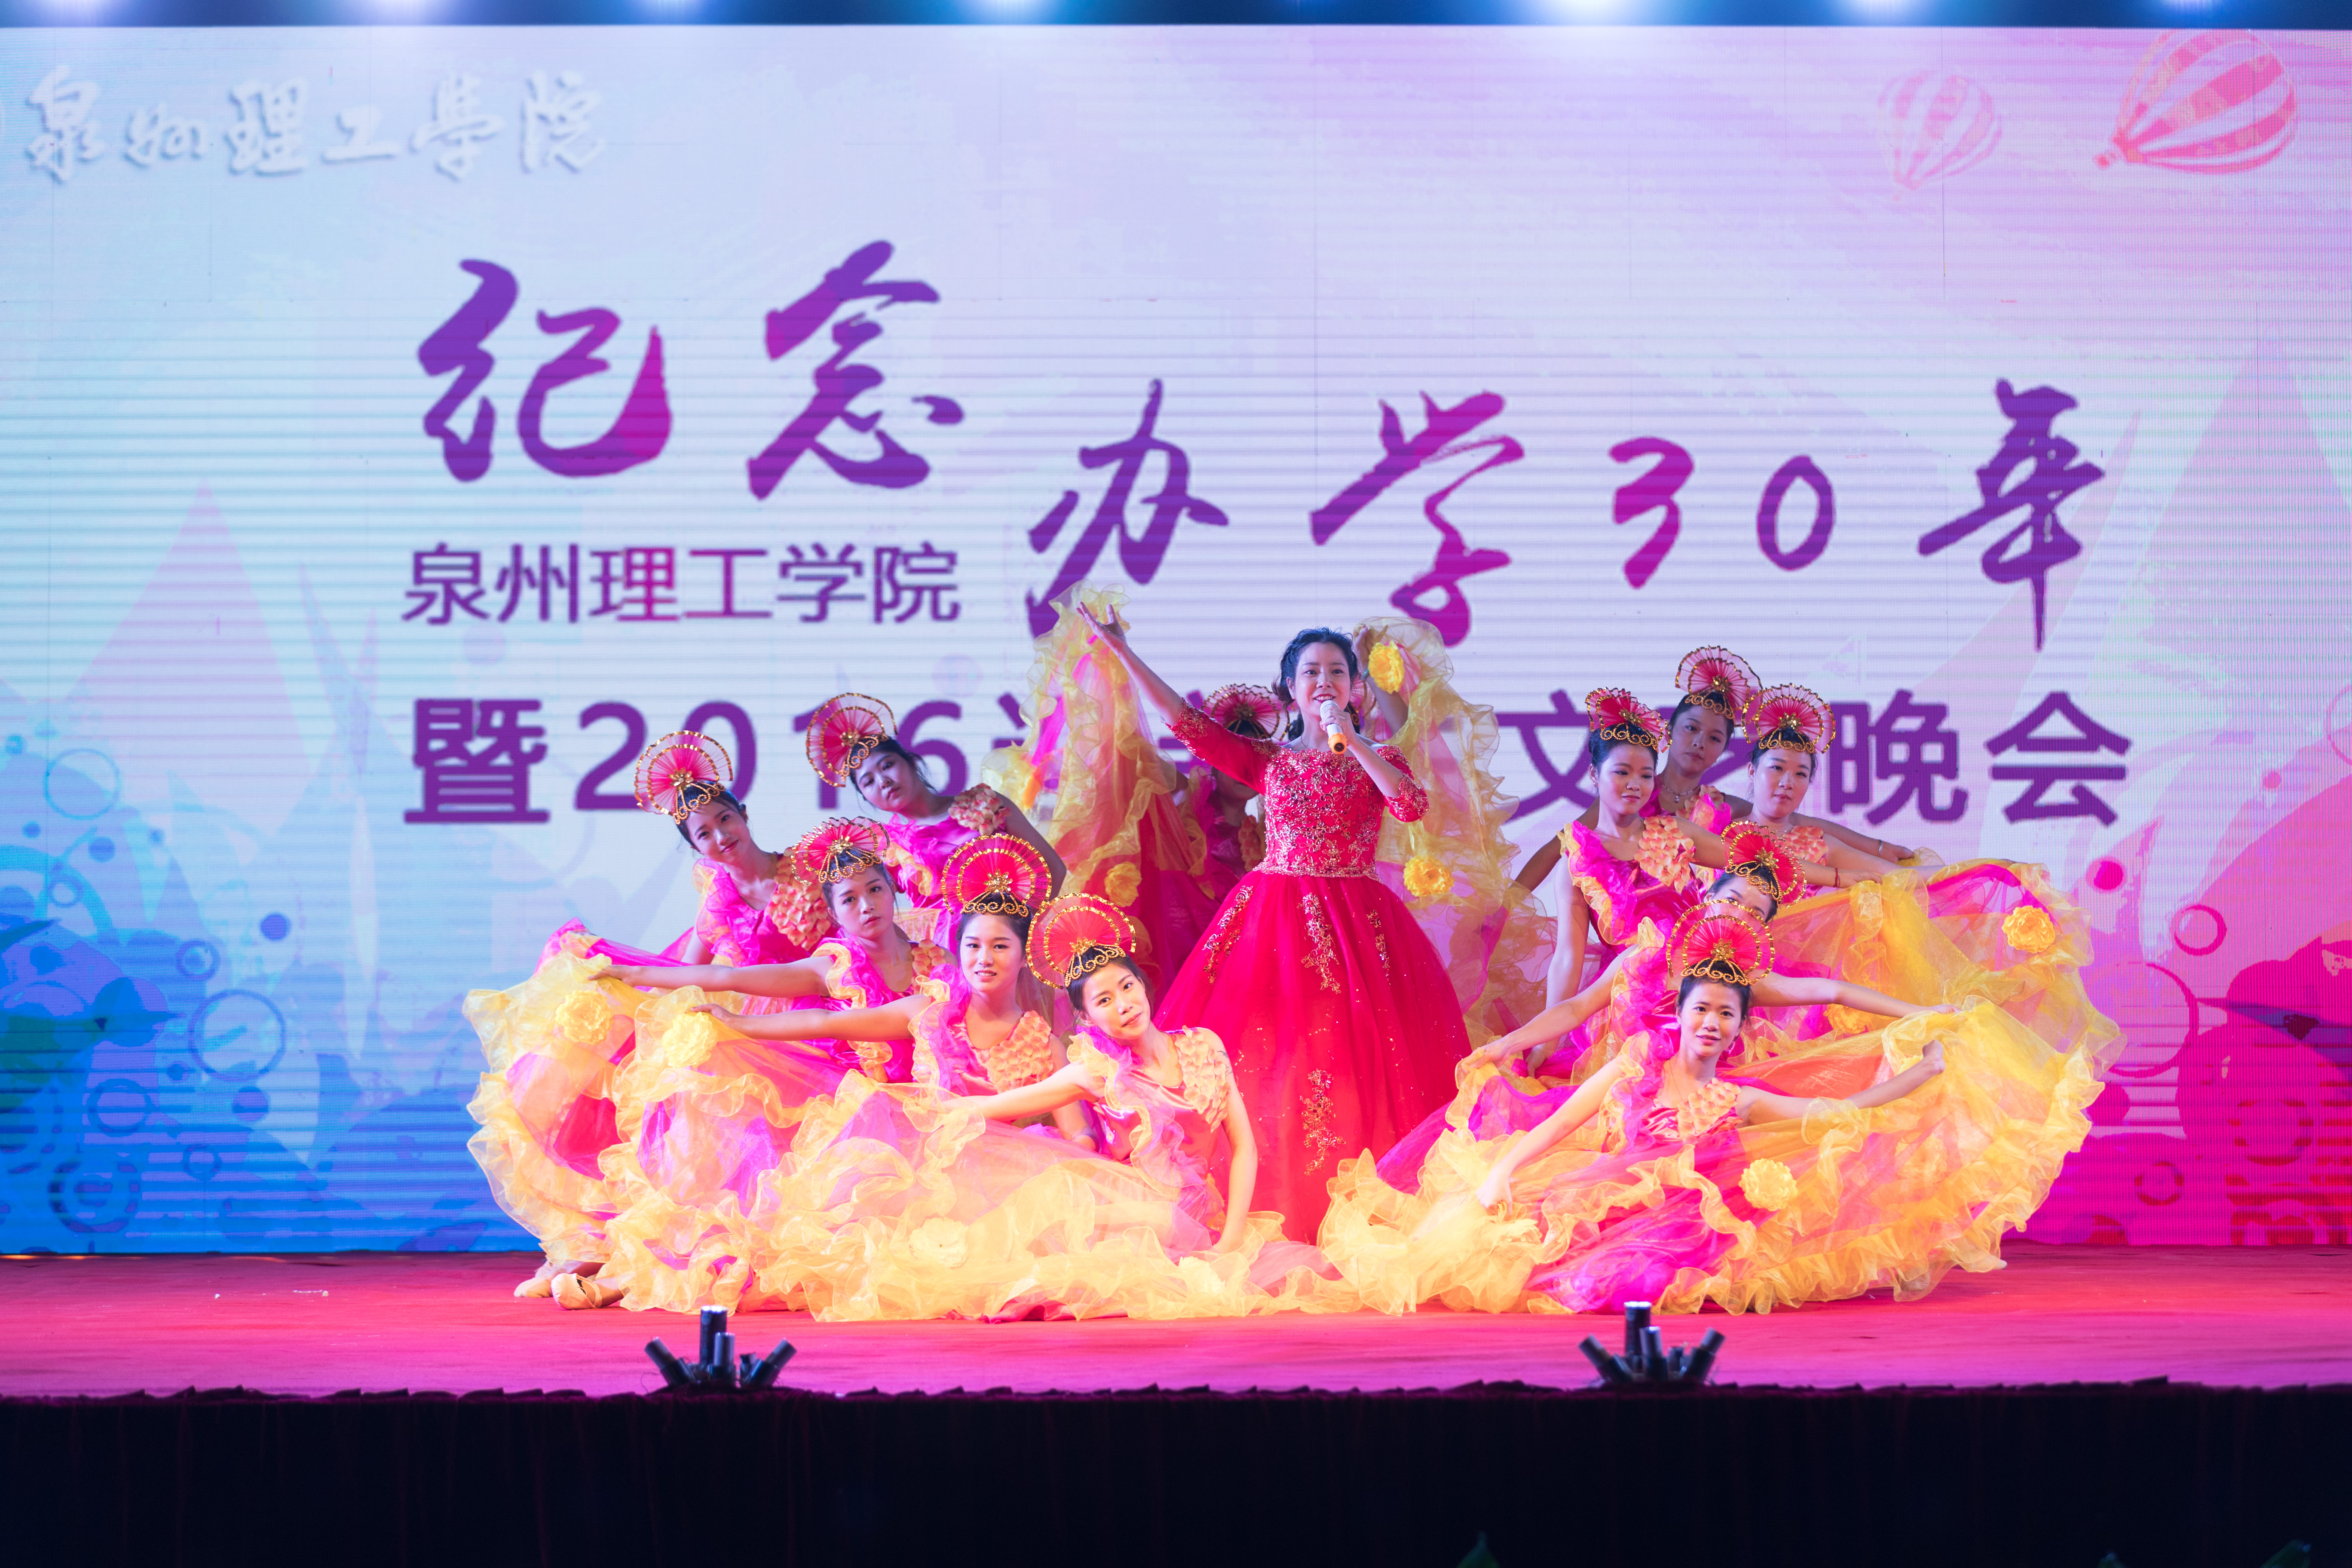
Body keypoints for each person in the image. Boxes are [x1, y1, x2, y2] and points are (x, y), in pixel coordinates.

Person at [1320, 903, 2101, 1315]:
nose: (1713, 1023)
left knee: (1630, 1281)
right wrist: (1504, 1171)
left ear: (1736, 1028)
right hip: (1599, 1191)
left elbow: (1838, 1111)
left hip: (1682, 1222)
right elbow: (1561, 1122)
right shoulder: (1634, 1063)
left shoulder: (1737, 1097)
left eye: (1727, 1015)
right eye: (1703, 1010)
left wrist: (1920, 1074)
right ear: (1682, 1012)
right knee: (1508, 1240)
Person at [721, 896, 1349, 1320]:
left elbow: (1245, 1147)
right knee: (1046, 1216)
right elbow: (997, 1106)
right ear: (1089, 1018)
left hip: (1197, 1214)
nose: (1123, 1004)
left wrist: (1233, 1239)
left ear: (1144, 985)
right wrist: (914, 1117)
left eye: (1127, 987)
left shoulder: (1203, 1046)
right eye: (1103, 1000)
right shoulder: (1094, 1070)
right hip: (1140, 1205)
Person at [547, 836, 1088, 1312]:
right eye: (849, 899)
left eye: (875, 890)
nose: (866, 906)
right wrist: (658, 983)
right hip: (862, 1113)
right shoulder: (877, 984)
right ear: (833, 912)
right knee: (767, 1211)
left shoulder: (941, 970)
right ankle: (621, 1272)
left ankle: (622, 1272)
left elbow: (1061, 1109)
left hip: (929, 1130)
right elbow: (766, 993)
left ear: (893, 892)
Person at [1074, 604, 1473, 1238]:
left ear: (1356, 687)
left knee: (1356, 1065)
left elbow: (1411, 804)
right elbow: (1185, 722)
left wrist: (1353, 740)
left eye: (1337, 672)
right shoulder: (1269, 761)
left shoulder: (1376, 755)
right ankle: (1266, 1205)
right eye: (1311, 672)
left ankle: (1359, 1207)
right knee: (1276, 1061)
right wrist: (1125, 651)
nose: (1324, 682)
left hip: (1358, 927)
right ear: (1290, 686)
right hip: (1276, 924)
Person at [468, 731, 825, 1300]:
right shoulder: (718, 901)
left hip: (814, 1019)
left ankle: (650, 1266)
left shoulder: (809, 873)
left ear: (744, 813)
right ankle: (604, 1250)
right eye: (704, 833)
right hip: (743, 1018)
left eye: (725, 820)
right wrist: (624, 987)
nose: (721, 837)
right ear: (695, 847)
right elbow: (687, 974)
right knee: (677, 1106)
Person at [808, 693, 1066, 947]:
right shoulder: (887, 848)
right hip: (944, 962)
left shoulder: (985, 805)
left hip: (1007, 949)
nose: (883, 781)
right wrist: (913, 956)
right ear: (866, 797)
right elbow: (873, 918)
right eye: (868, 782)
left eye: (887, 766)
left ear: (912, 762)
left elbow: (1053, 868)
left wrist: (1024, 936)